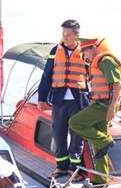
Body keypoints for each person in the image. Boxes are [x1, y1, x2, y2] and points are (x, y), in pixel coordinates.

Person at [37, 19, 89, 178]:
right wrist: (42, 97)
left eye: (68, 35)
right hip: (59, 99)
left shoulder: (85, 51)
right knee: (58, 134)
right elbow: (47, 75)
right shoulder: (55, 50)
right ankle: (61, 167)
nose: (65, 38)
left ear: (77, 35)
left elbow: (94, 75)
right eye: (63, 34)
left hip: (78, 99)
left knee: (76, 135)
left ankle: (75, 169)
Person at [69, 36, 121, 184]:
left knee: (74, 122)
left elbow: (118, 85)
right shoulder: (97, 61)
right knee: (98, 144)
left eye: (86, 52)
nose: (85, 56)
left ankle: (106, 141)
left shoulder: (105, 61)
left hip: (105, 105)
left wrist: (112, 108)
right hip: (100, 103)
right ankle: (101, 178)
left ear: (93, 48)